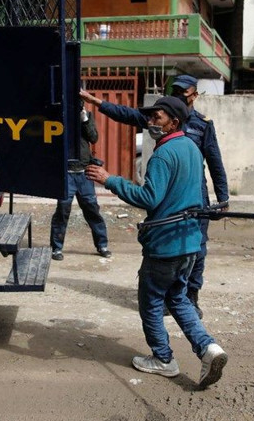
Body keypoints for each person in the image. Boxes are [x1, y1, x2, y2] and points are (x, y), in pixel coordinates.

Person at [85, 96, 227, 388]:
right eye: (149, 117)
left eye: (157, 117)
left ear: (174, 122)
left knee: (150, 303)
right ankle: (208, 348)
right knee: (178, 298)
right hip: (189, 242)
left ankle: (163, 359)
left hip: (165, 245)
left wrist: (109, 179)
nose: (150, 122)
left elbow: (149, 198)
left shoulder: (162, 155)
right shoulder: (189, 147)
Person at [79, 74, 229, 318]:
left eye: (183, 91)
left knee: (196, 248)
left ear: (194, 95)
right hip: (168, 195)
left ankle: (191, 297)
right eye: (176, 90)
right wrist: (95, 101)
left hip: (194, 193)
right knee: (170, 244)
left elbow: (215, 162)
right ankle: (169, 297)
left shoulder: (202, 124)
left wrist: (222, 199)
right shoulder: (161, 115)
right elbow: (124, 114)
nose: (179, 95)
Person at [49, 105, 111, 261]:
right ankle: (56, 248)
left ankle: (102, 245)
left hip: (84, 172)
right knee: (62, 210)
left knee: (92, 209)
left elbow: (94, 137)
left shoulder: (85, 117)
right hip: (66, 173)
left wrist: (84, 119)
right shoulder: (58, 117)